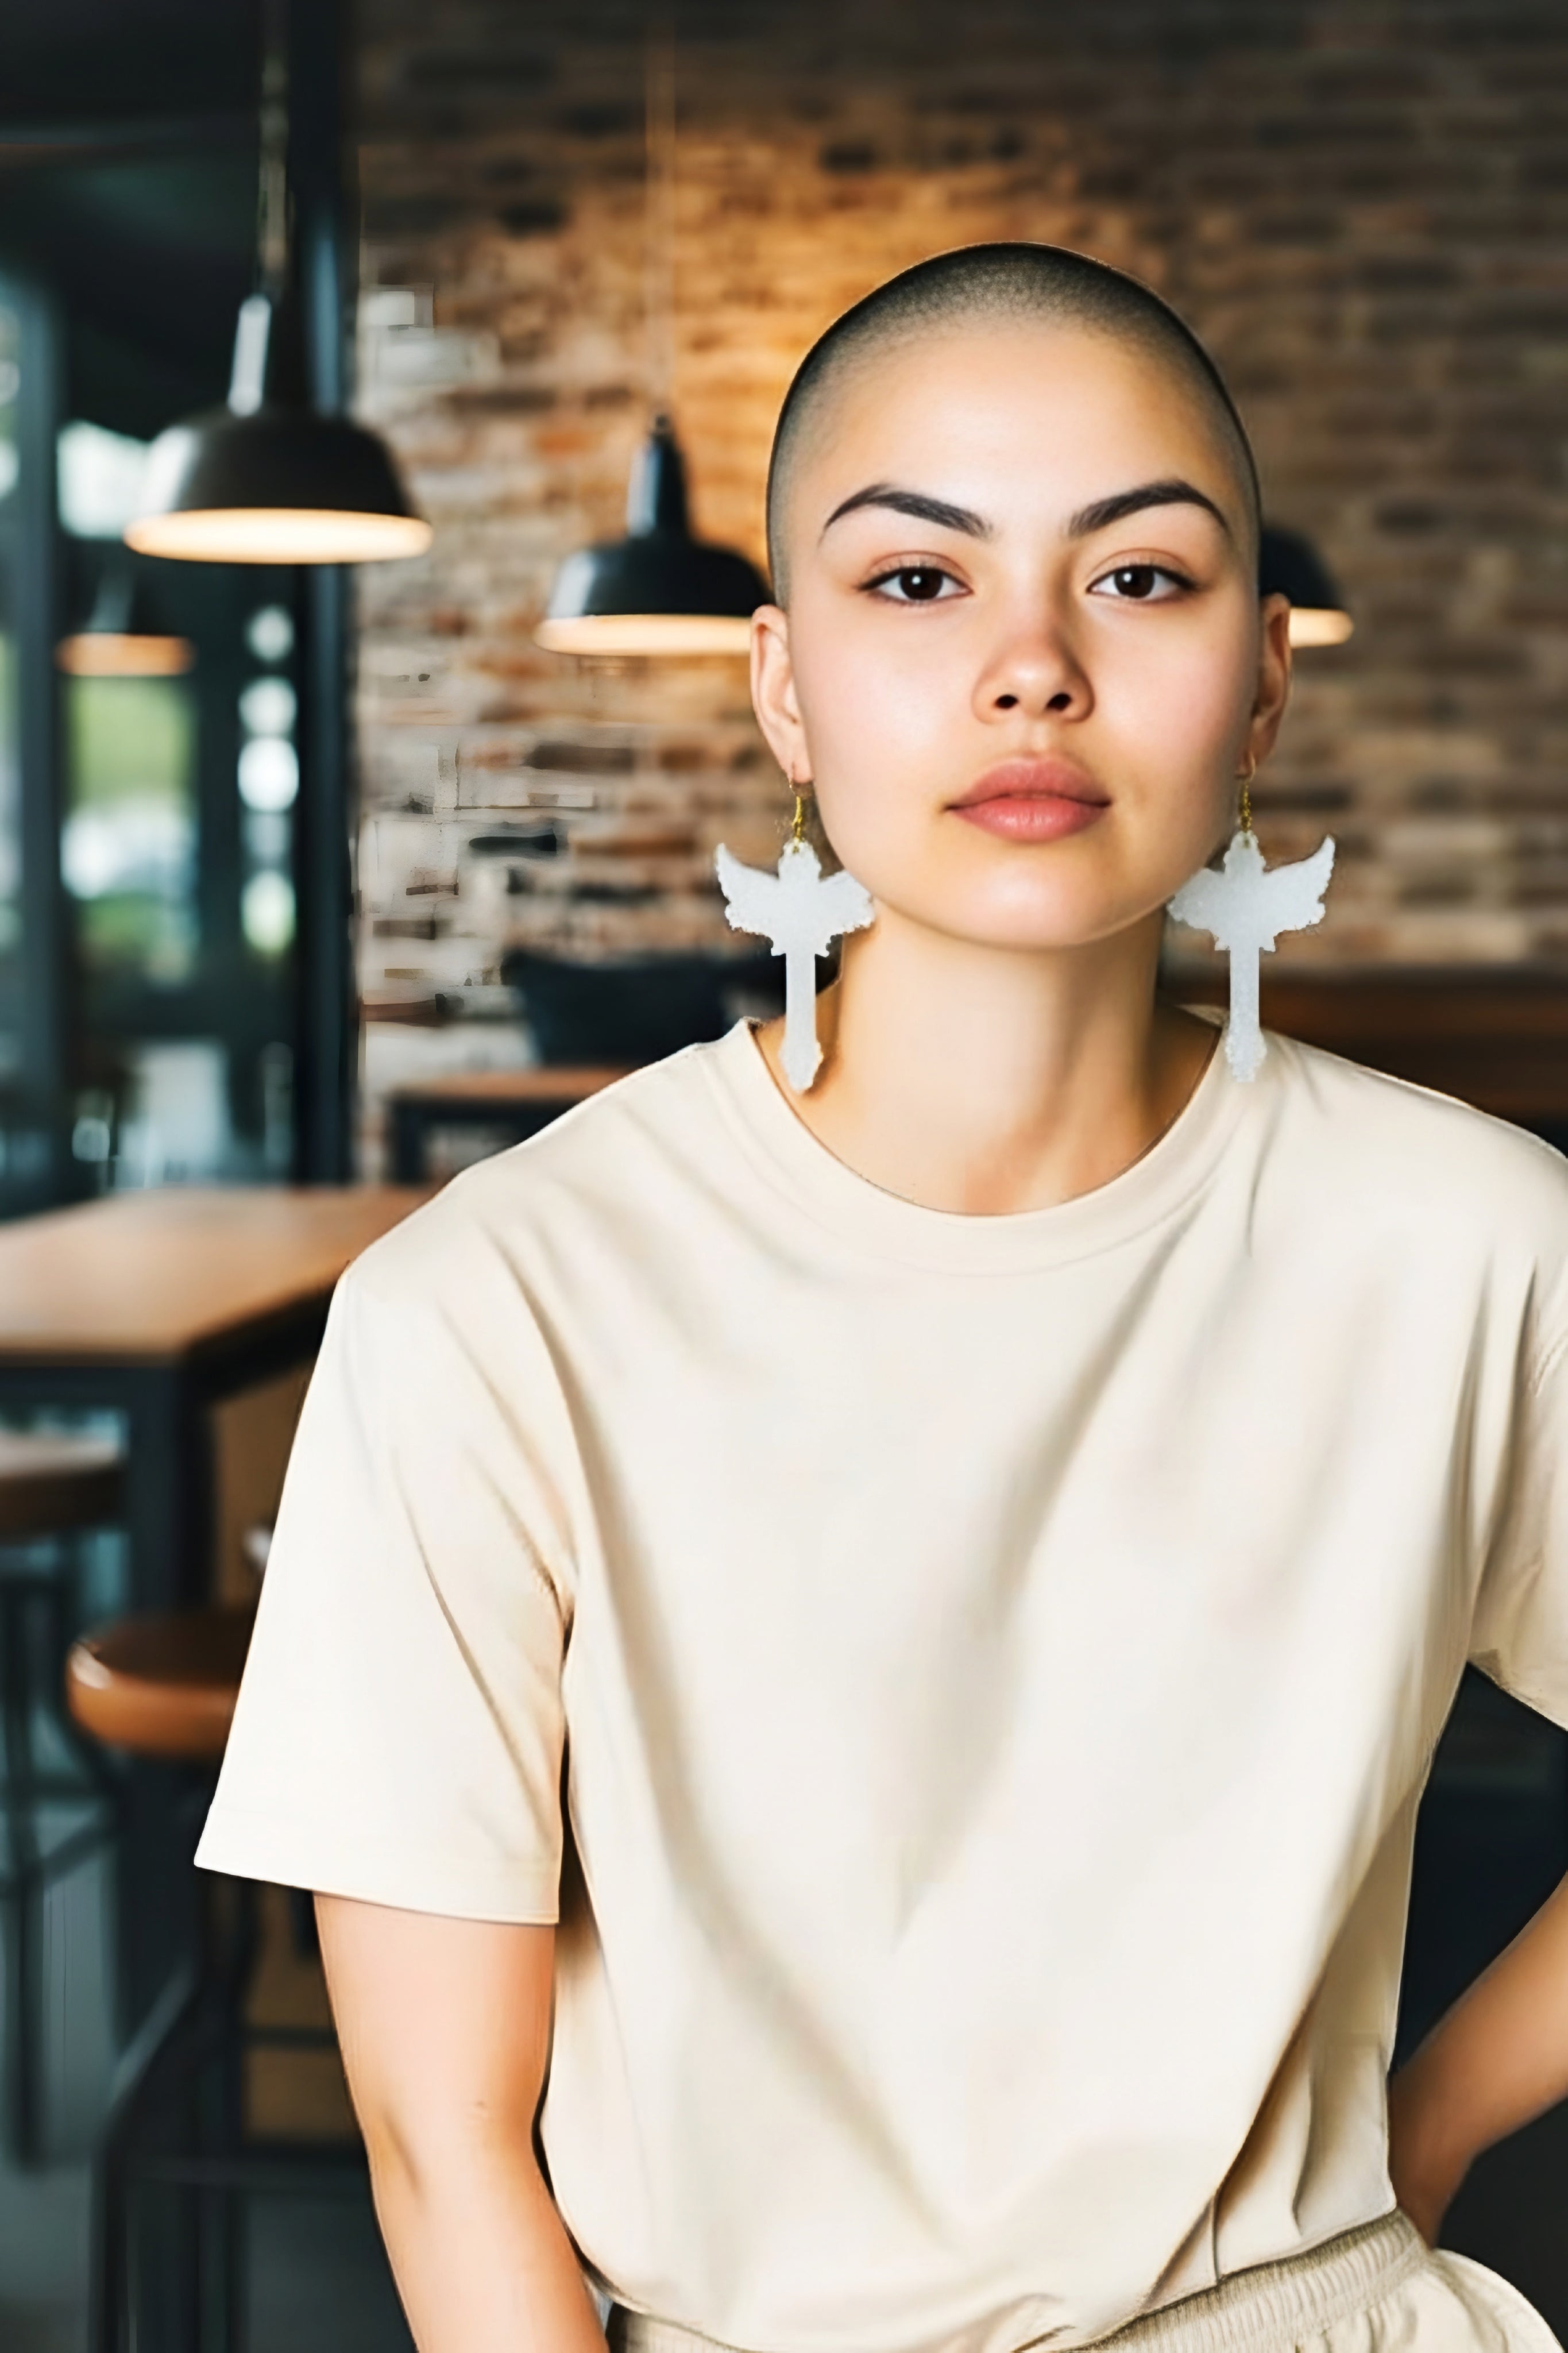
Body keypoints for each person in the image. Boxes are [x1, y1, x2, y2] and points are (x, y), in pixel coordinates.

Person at [197, 245, 1568, 2353]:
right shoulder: (490, 1308)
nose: (1031, 671)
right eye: (917, 581)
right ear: (781, 685)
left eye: (1139, 578)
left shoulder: (1469, 1239)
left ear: (1263, 676)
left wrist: (1431, 2124)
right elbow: (443, 2145)